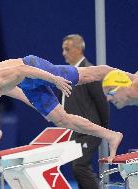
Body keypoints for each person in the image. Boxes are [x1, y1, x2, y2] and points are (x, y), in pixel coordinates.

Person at [0, 54, 123, 161]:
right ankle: (111, 136)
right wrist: (38, 108)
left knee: (86, 76)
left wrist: (54, 79)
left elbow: (21, 70)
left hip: (31, 67)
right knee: (60, 119)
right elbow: (13, 90)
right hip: (27, 85)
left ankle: (132, 78)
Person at [61, 34, 109, 189]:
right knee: (78, 168)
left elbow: (102, 103)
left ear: (78, 49)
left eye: (67, 49)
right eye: (63, 49)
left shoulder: (89, 72)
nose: (63, 53)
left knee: (79, 166)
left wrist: (103, 130)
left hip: (89, 130)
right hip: (75, 130)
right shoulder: (68, 73)